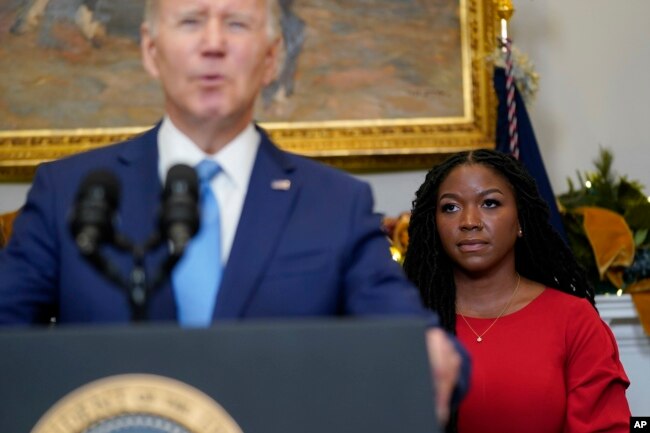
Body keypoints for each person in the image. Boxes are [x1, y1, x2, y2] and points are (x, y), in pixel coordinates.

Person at [0, 0, 468, 425]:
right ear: (150, 50)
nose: (213, 44)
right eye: (190, 22)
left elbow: (417, 345)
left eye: (236, 24)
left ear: (271, 58)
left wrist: (430, 356)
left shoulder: (334, 204)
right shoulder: (69, 192)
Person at [403, 149, 631, 433]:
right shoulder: (405, 324)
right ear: (433, 224)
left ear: (521, 221)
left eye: (490, 203)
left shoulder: (573, 319)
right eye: (451, 207)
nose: (469, 221)